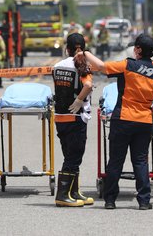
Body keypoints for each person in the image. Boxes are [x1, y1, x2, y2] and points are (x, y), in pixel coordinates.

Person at [82, 34, 153, 210]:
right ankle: (144, 201)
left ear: (138, 50)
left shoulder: (128, 65)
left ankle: (110, 200)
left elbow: (100, 66)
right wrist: (149, 112)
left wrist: (85, 52)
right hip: (143, 122)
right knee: (141, 161)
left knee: (115, 161)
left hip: (122, 119)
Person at [52, 33, 94, 207]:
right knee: (74, 158)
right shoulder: (82, 65)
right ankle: (62, 195)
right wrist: (79, 100)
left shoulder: (57, 66)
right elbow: (88, 85)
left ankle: (73, 191)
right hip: (76, 117)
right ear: (82, 49)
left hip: (60, 116)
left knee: (70, 155)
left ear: (66, 48)